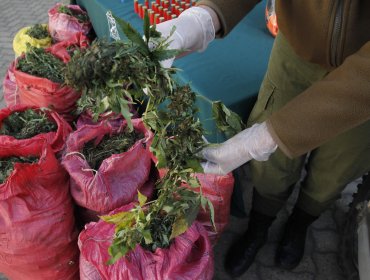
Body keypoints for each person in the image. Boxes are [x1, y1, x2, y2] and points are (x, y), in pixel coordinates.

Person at [155, 0, 370, 277]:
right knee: (271, 165)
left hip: (362, 88)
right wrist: (206, 16)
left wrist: (271, 135)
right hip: (297, 49)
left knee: (337, 167)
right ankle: (259, 226)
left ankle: (300, 223)